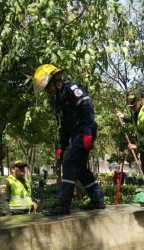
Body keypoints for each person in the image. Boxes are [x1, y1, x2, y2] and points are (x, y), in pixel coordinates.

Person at [33, 64, 105, 216]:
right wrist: (61, 145)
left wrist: (87, 131)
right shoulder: (56, 100)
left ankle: (62, 204)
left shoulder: (71, 88)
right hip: (76, 133)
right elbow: (64, 125)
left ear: (54, 81)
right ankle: (97, 199)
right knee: (79, 169)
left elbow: (87, 107)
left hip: (85, 131)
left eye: (47, 87)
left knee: (70, 163)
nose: (47, 91)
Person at [115, 89, 144, 191]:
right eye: (130, 105)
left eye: (133, 105)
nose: (131, 107)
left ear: (140, 100)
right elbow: (134, 120)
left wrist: (136, 145)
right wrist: (123, 117)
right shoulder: (137, 112)